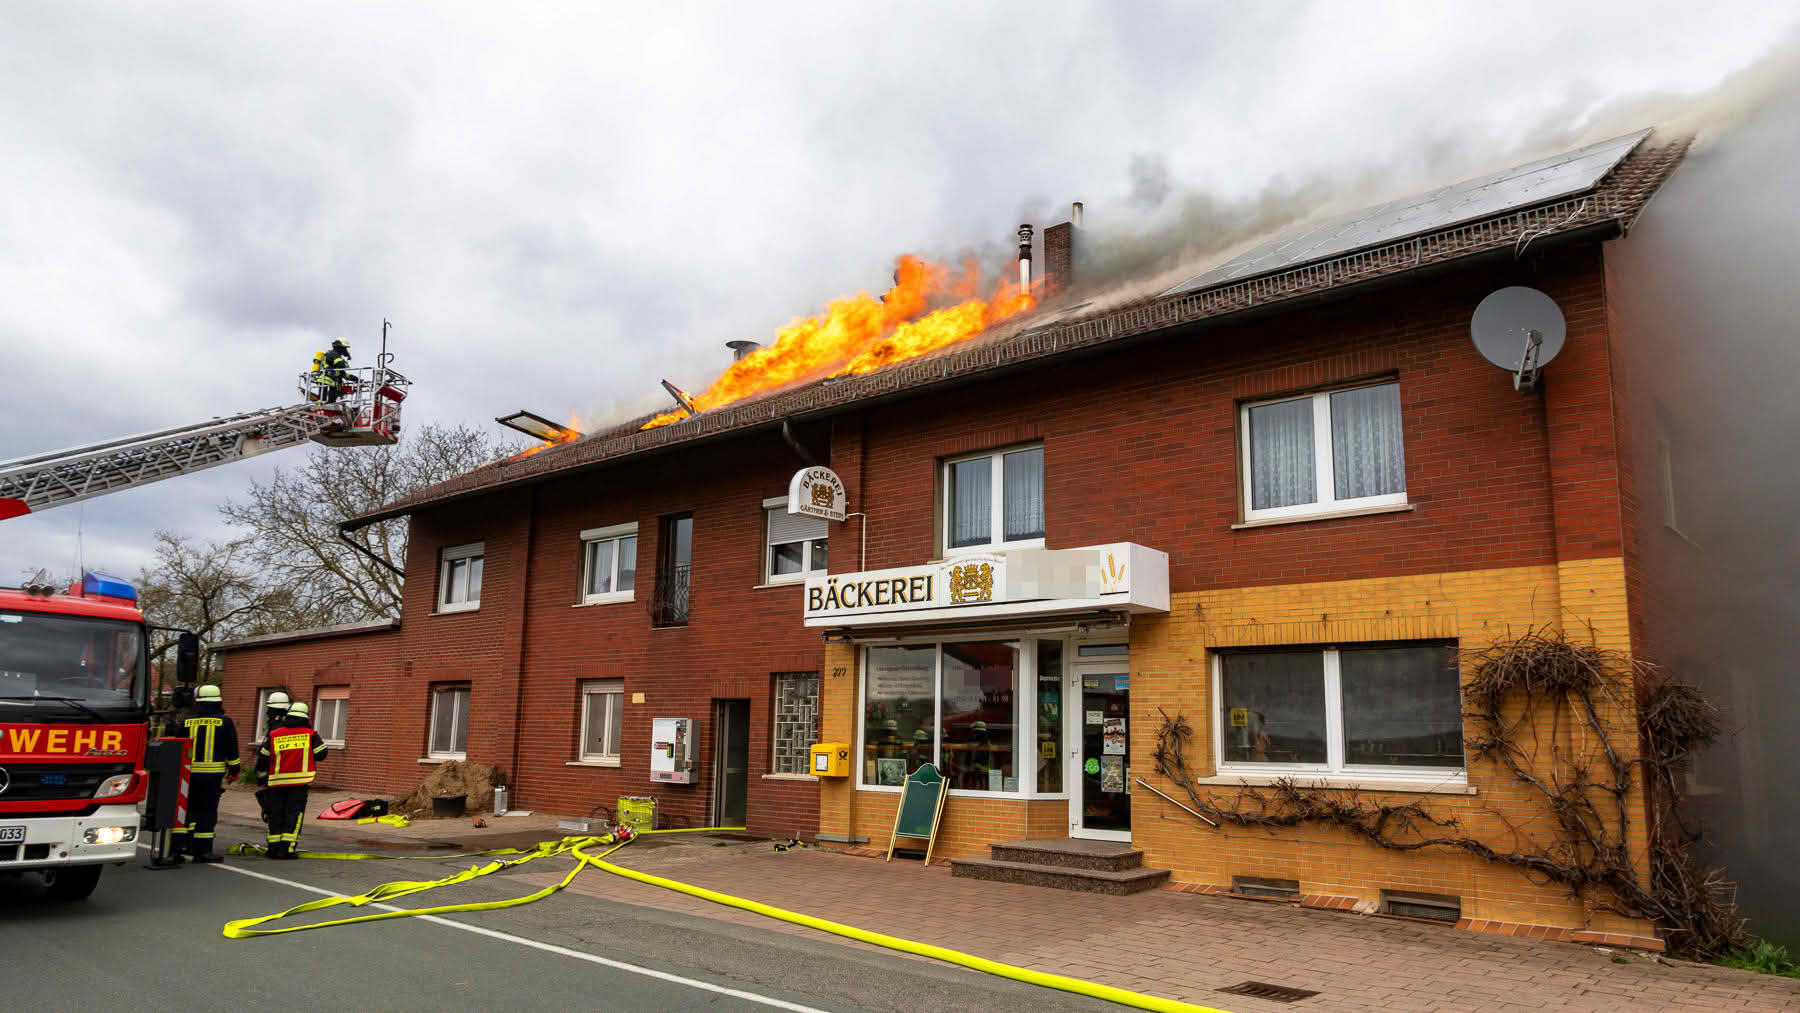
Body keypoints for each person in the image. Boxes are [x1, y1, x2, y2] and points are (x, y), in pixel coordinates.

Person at [255, 700, 327, 860]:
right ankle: (287, 849)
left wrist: (262, 778)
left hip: (276, 782)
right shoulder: (310, 734)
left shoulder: (274, 734)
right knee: (294, 815)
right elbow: (322, 754)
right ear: (306, 717)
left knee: (275, 814)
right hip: (298, 783)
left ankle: (273, 848)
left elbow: (263, 758)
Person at [178, 685, 240, 863]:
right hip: (212, 776)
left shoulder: (186, 721)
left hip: (188, 775)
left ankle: (182, 846)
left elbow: (178, 746)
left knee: (188, 810)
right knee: (207, 812)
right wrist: (234, 771)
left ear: (198, 702)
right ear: (218, 701)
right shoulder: (225, 722)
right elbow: (232, 749)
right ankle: (203, 851)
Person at [321, 338, 352, 403]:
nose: (345, 350)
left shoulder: (336, 356)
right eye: (344, 348)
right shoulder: (333, 354)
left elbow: (342, 373)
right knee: (325, 402)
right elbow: (341, 366)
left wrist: (354, 378)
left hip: (332, 383)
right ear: (339, 347)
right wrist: (347, 357)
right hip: (328, 381)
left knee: (330, 402)